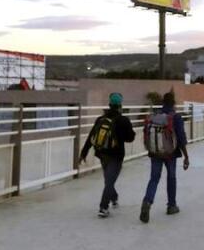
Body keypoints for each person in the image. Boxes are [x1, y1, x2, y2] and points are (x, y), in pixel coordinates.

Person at [79, 92, 137, 218]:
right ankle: (103, 207)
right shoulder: (123, 120)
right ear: (120, 105)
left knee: (109, 179)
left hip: (102, 154)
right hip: (116, 155)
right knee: (110, 181)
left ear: (109, 104)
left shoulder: (100, 119)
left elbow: (91, 137)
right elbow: (130, 138)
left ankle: (114, 198)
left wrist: (84, 152)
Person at [140, 92, 189, 223]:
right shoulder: (175, 117)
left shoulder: (155, 115)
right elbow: (181, 137)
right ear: (173, 103)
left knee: (154, 178)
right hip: (170, 154)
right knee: (171, 177)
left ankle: (147, 201)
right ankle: (171, 206)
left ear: (163, 102)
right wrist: (186, 156)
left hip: (155, 152)